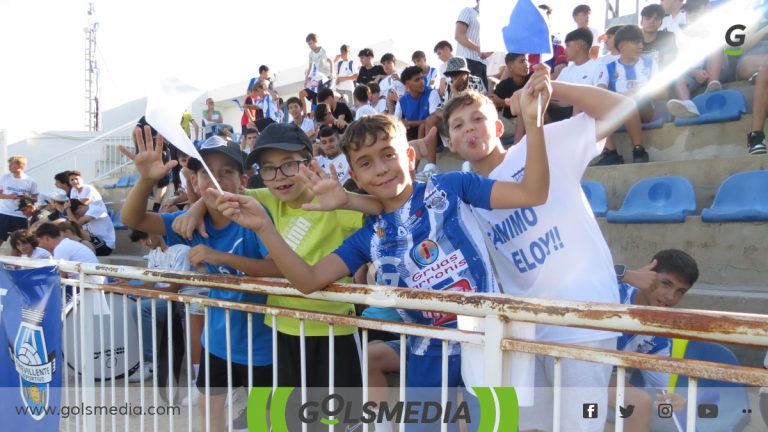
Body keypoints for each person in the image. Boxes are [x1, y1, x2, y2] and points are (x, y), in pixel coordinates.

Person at [212, 67, 552, 432]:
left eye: (388, 155)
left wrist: (533, 124)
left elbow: (533, 193)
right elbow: (308, 281)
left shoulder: (453, 186)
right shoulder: (367, 237)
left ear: (409, 156)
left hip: (486, 343)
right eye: (365, 163)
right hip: (426, 353)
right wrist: (264, 227)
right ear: (355, 177)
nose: (381, 169)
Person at [444, 82, 637, 431]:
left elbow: (620, 107)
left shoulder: (539, 145)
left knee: (580, 426)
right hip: (524, 331)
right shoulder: (461, 195)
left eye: (478, 118)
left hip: (584, 322)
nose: (469, 127)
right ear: (451, 143)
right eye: (458, 125)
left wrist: (551, 87)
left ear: (498, 126)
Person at [171, 124, 380, 430]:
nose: (279, 176)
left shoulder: (335, 201)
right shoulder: (267, 199)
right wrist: (196, 208)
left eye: (288, 165)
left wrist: (349, 200)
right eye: (268, 169)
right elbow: (221, 192)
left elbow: (383, 207)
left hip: (333, 334)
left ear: (309, 162)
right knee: (286, 421)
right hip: (281, 335)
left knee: (340, 423)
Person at [119, 130, 280, 432]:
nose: (215, 180)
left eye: (226, 172)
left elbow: (277, 269)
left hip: (262, 346)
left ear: (243, 180)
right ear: (193, 181)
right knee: (210, 415)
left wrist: (222, 258)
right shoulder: (190, 223)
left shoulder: (256, 215)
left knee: (261, 420)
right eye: (205, 174)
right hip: (216, 342)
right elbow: (133, 219)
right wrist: (145, 180)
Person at [609, 249, 699, 432]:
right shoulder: (612, 292)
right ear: (650, 275)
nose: (671, 297)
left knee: (672, 421)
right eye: (666, 284)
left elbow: (658, 392)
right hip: (557, 373)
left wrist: (672, 400)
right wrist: (623, 274)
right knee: (639, 403)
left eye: (680, 291)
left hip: (595, 389)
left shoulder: (661, 336)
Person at [596, 25, 655, 164]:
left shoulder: (650, 62)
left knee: (627, 101)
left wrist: (635, 94)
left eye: (641, 42)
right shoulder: (608, 66)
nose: (641, 46)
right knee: (591, 102)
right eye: (636, 42)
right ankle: (611, 153)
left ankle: (639, 150)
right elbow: (599, 90)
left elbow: (660, 90)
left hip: (645, 108)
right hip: (618, 108)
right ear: (622, 46)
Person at [489, 53, 530, 142]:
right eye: (522, 61)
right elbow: (493, 101)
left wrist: (502, 102)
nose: (527, 64)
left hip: (526, 123)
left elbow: (527, 104)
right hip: (508, 123)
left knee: (521, 113)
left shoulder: (531, 79)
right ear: (510, 67)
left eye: (527, 60)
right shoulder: (505, 84)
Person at [0, 155, 39, 248]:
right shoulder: (4, 177)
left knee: (19, 242)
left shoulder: (30, 181)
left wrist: (26, 198)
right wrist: (9, 196)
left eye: (12, 165)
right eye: (9, 164)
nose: (9, 167)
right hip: (4, 212)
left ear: (21, 166)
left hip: (20, 215)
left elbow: (35, 198)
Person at [455, 0, 489, 89]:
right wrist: (479, 49)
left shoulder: (491, 20)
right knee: (466, 99)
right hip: (465, 62)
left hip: (483, 65)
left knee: (480, 100)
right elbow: (458, 35)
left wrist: (488, 52)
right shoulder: (468, 11)